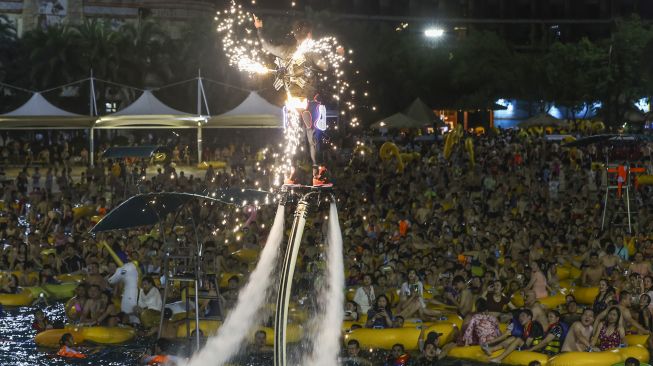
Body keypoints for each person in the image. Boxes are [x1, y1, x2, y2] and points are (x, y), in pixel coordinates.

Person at [253, 15, 343, 186]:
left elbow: (265, 45)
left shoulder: (286, 51)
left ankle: (291, 173)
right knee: (313, 135)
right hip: (309, 103)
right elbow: (326, 66)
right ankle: (317, 174)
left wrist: (259, 28)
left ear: (295, 35)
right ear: (309, 35)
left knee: (293, 138)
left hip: (292, 103)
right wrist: (337, 55)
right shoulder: (312, 52)